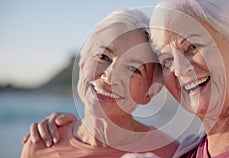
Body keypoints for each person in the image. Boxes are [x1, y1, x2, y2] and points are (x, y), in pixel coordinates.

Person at [24, 0, 229, 157]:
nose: (180, 70)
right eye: (167, 60)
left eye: (192, 47)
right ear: (82, 63)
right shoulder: (185, 149)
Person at [21, 8, 178, 158]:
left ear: (149, 93)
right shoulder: (39, 146)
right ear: (82, 64)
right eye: (103, 57)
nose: (109, 77)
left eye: (132, 69)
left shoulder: (170, 152)